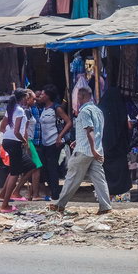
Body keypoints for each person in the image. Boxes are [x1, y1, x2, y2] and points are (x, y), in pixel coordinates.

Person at [51, 87, 111, 215]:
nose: (76, 100)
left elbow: (90, 130)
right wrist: (80, 141)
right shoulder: (98, 111)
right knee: (99, 180)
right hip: (96, 150)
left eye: (77, 97)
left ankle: (59, 205)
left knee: (72, 178)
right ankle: (105, 206)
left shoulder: (84, 112)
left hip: (85, 151)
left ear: (81, 97)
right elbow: (95, 131)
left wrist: (92, 149)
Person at [0, 88, 38, 213]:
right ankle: (5, 205)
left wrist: (8, 135)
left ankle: (4, 195)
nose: (28, 99)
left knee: (30, 165)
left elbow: (1, 127)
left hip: (7, 141)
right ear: (22, 98)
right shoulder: (20, 110)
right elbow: (16, 131)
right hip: (15, 142)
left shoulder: (11, 109)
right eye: (27, 97)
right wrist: (23, 141)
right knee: (15, 172)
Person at [33, 85, 72, 202]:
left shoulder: (56, 108)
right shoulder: (44, 108)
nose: (41, 96)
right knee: (45, 168)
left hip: (54, 142)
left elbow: (69, 122)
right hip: (44, 143)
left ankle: (55, 194)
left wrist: (60, 136)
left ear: (48, 96)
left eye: (43, 94)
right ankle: (52, 191)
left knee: (52, 168)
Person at [98, 85, 132, 200]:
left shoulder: (101, 108)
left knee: (106, 172)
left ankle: (108, 194)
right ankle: (121, 196)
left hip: (105, 146)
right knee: (120, 170)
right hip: (119, 148)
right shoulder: (120, 109)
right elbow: (128, 127)